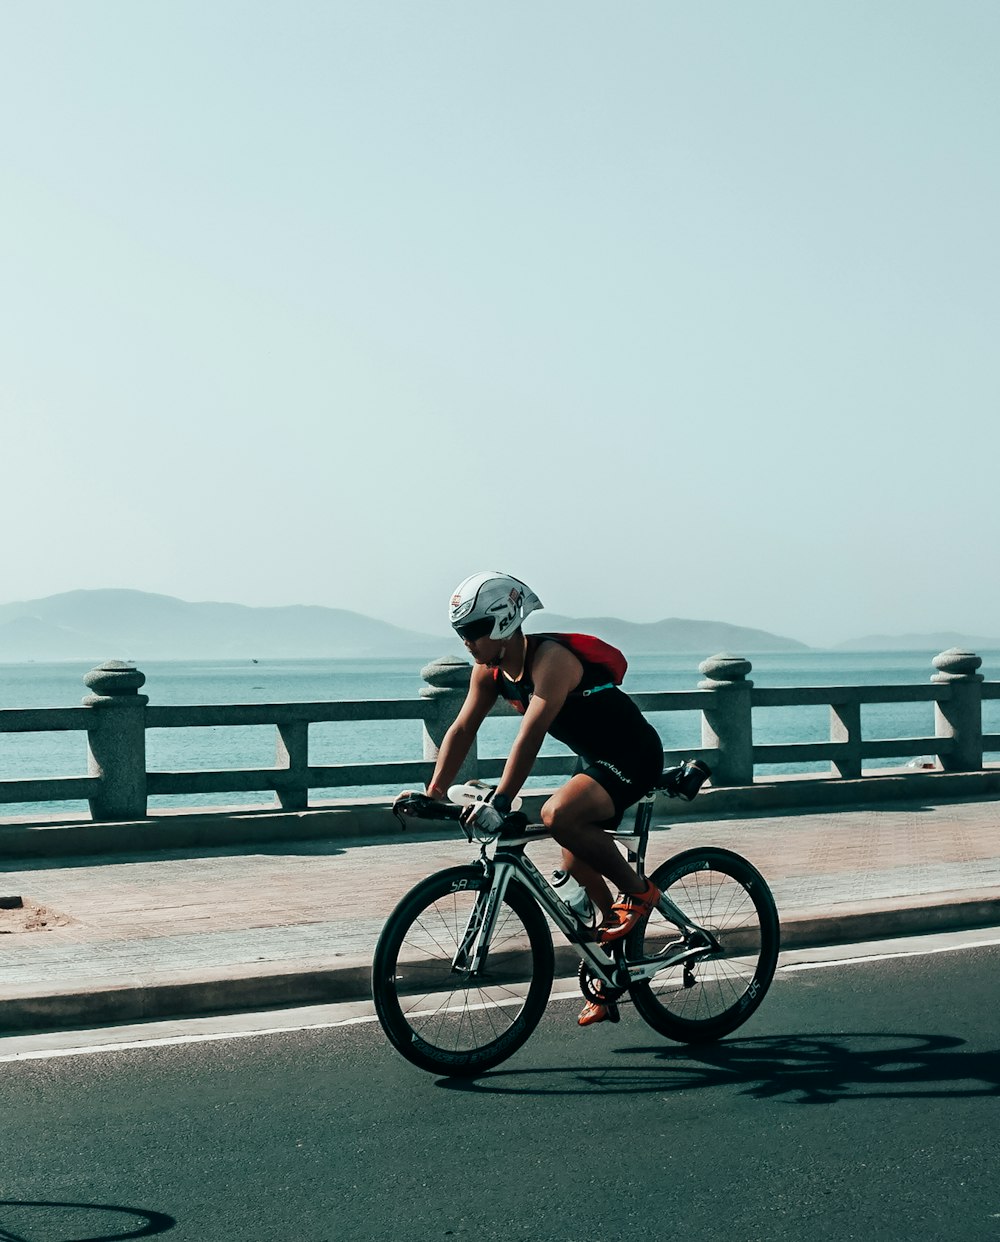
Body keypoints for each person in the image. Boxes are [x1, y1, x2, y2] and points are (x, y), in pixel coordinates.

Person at [396, 570, 665, 1027]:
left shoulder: (551, 661)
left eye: (473, 631)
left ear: (502, 623)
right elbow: (462, 729)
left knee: (558, 814)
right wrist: (434, 792)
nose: (466, 642)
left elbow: (532, 732)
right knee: (578, 863)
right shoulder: (490, 671)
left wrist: (501, 801)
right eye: (460, 632)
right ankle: (612, 961)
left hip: (634, 755)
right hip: (596, 760)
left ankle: (641, 895)